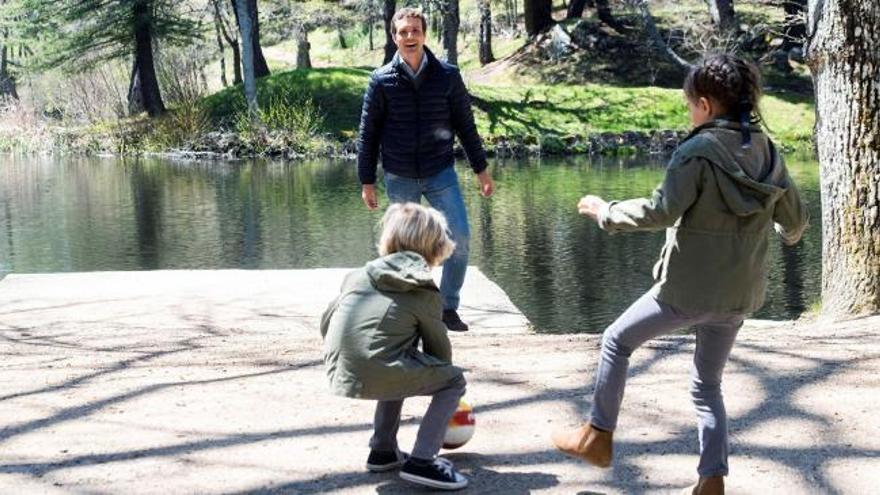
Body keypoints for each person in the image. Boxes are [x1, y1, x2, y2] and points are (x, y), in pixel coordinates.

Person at [551, 53, 809, 495]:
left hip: (686, 291)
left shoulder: (696, 152)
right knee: (707, 385)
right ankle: (712, 480)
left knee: (616, 339)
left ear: (706, 105)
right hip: (739, 294)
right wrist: (771, 233)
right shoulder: (768, 151)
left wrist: (604, 211)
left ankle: (597, 437)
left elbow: (660, 210)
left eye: (690, 104)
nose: (689, 113)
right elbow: (797, 222)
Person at [357, 7, 494, 332]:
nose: (409, 37)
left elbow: (465, 124)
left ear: (424, 34)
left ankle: (447, 308)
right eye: (403, 32)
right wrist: (367, 181)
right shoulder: (381, 80)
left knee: (459, 236)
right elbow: (368, 132)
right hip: (400, 175)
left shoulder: (447, 75)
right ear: (394, 37)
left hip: (440, 172)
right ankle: (409, 311)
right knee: (404, 249)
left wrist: (481, 170)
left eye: (415, 31)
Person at [320, 202, 469, 491]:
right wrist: (445, 388)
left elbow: (327, 321)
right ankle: (423, 460)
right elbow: (439, 352)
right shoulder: (422, 288)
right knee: (453, 380)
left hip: (339, 370)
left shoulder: (358, 275)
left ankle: (383, 450)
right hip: (376, 369)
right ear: (434, 248)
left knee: (395, 356)